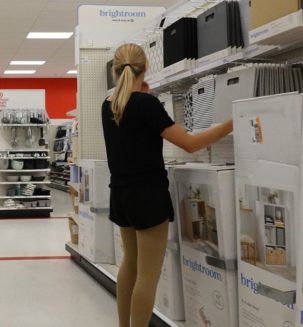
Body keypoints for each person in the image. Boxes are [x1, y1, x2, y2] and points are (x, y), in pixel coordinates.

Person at [101, 43, 233, 327]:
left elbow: (132, 134)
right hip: (148, 197)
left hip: (121, 196)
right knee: (148, 275)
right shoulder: (147, 104)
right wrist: (232, 123)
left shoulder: (108, 106)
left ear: (115, 72)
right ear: (144, 69)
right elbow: (190, 144)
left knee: (130, 266)